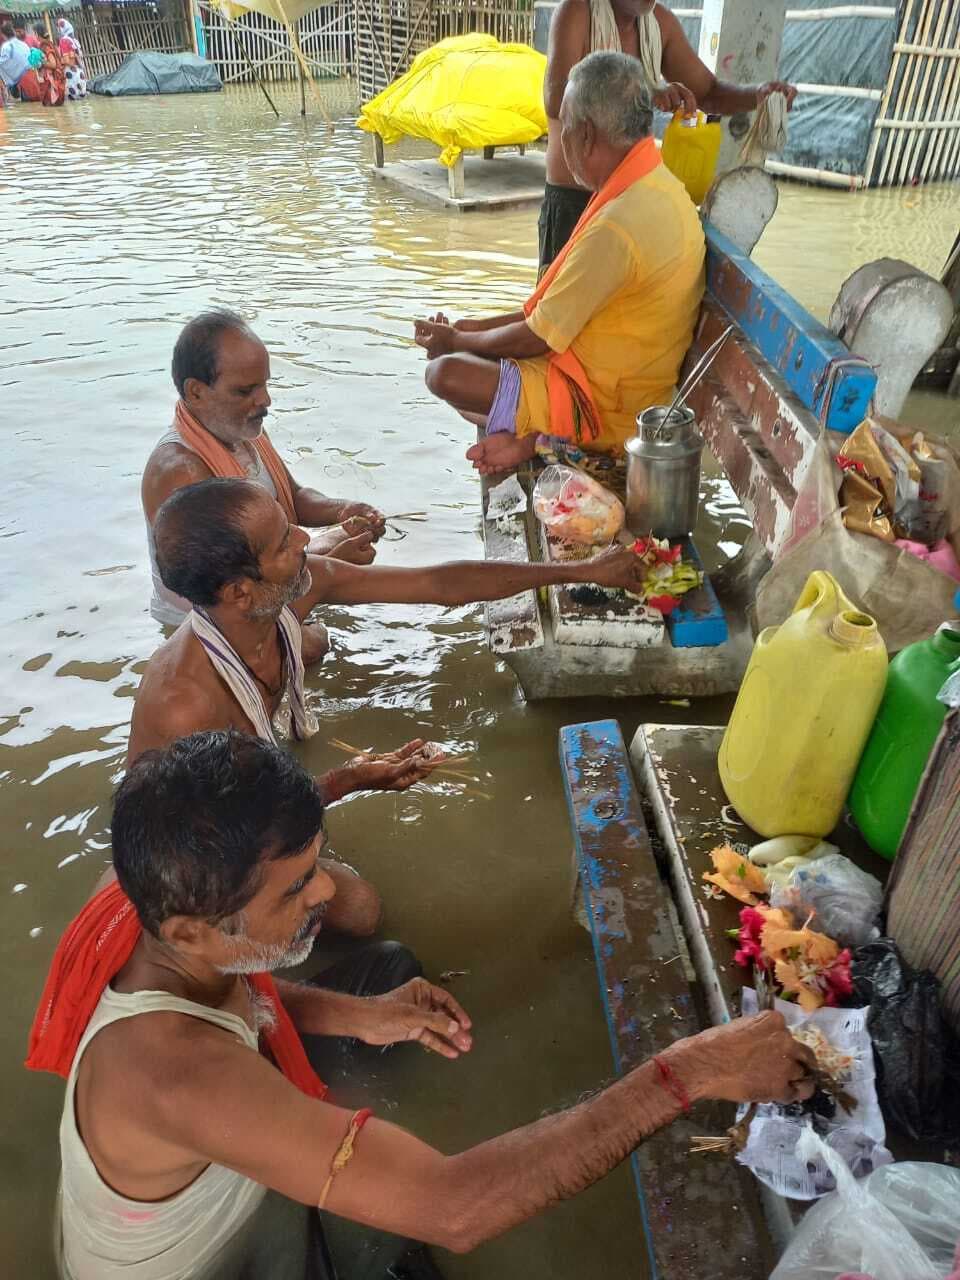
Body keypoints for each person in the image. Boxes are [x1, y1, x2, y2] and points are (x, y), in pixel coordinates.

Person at [29, 730, 817, 1280]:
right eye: (300, 886)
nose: (331, 890)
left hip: (220, 1162)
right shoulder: (177, 1077)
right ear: (193, 929)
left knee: (384, 971)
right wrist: (688, 1071)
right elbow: (457, 1208)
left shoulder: (143, 901)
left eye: (316, 865)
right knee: (403, 1240)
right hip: (208, 1262)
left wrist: (366, 1015)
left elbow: (239, 990)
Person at [128, 476, 650, 933]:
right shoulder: (187, 703)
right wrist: (346, 782)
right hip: (199, 866)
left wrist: (584, 572)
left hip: (238, 813)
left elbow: (439, 584)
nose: (307, 541)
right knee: (359, 911)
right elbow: (221, 845)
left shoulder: (292, 595)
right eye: (285, 542)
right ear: (241, 592)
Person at [415, 53, 705, 477]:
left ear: (585, 134)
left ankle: (541, 437)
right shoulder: (652, 185)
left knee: (443, 374)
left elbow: (539, 336)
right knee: (459, 361)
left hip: (605, 408)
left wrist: (457, 344)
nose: (559, 140)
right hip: (602, 373)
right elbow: (553, 310)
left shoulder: (620, 224)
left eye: (562, 125)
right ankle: (530, 436)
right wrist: (466, 329)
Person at [143, 310, 389, 660]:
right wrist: (329, 567)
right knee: (316, 644)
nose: (265, 401)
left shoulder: (242, 429)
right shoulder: (181, 471)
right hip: (210, 625)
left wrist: (342, 510)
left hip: (260, 580)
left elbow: (296, 496)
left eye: (264, 385)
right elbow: (231, 590)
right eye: (245, 391)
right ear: (196, 392)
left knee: (344, 558)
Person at [540, 0, 797, 271]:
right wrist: (646, 92)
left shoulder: (660, 23)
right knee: (558, 307)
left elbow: (707, 93)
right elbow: (556, 98)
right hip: (573, 201)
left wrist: (758, 95)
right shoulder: (576, 12)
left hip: (631, 201)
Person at [18, 25, 66, 106]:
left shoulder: (45, 46)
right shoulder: (48, 44)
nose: (33, 35)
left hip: (52, 80)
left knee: (52, 105)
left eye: (34, 33)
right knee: (53, 106)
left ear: (37, 34)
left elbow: (53, 64)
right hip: (52, 79)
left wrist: (40, 63)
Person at [57, 19, 87, 101]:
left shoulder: (64, 41)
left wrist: (59, 63)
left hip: (71, 73)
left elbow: (67, 61)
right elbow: (78, 57)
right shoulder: (75, 41)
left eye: (59, 28)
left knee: (74, 106)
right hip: (80, 73)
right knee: (83, 102)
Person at [0, 23, 31, 99]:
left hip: (19, 83)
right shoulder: (24, 44)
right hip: (31, 78)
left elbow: (2, 63)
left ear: (3, 35)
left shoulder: (6, 46)